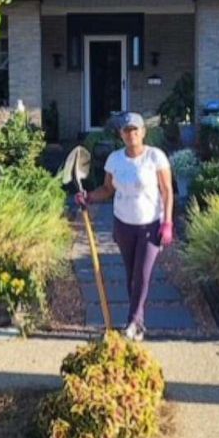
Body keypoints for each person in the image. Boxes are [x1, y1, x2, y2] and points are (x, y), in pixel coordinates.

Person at [76, 112, 173, 342]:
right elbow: (108, 189)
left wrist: (167, 222)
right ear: (121, 134)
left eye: (135, 129)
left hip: (150, 225)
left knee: (142, 274)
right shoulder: (115, 159)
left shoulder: (155, 157)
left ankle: (133, 322)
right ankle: (137, 324)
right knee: (131, 275)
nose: (132, 134)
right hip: (123, 225)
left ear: (143, 132)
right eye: (127, 130)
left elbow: (167, 190)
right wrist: (88, 197)